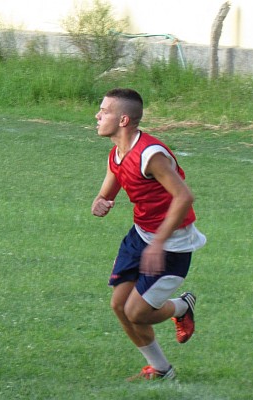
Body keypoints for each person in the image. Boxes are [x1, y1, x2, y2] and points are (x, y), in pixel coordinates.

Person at [91, 88, 206, 380]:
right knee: (119, 306)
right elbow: (115, 176)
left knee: (137, 312)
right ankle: (161, 370)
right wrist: (102, 199)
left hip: (171, 246)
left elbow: (184, 197)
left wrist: (158, 245)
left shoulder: (151, 154)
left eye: (104, 111)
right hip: (140, 236)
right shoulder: (116, 152)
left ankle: (182, 306)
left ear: (123, 120)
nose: (97, 114)